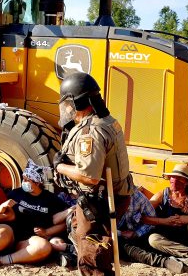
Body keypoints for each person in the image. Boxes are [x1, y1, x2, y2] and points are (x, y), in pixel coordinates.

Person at [53, 71, 134, 276]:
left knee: (92, 254)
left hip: (98, 202)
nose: (67, 109)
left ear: (78, 102)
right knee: (95, 245)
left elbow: (90, 176)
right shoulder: (107, 121)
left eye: (69, 104)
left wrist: (60, 167)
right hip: (110, 197)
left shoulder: (91, 132)